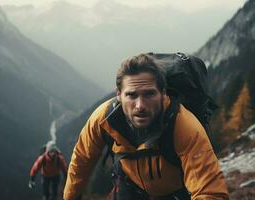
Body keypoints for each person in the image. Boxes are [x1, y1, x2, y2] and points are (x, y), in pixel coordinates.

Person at [63, 54, 229, 200]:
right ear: (119, 95)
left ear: (163, 93)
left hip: (177, 190)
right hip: (129, 183)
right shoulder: (103, 119)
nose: (140, 105)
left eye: (149, 94)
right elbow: (82, 160)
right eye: (132, 95)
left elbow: (210, 191)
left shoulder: (183, 125)